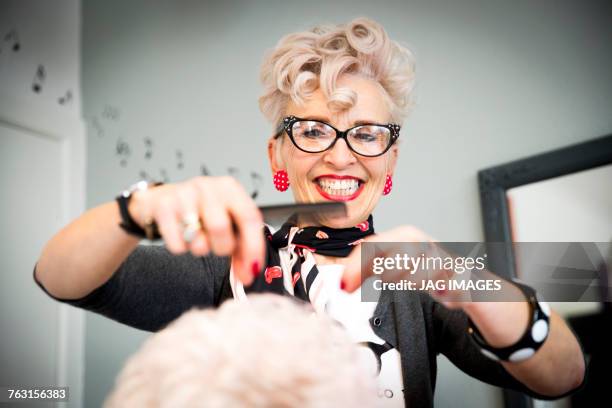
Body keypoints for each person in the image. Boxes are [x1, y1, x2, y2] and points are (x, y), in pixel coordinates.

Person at [34, 17, 585, 407]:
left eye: (366, 134)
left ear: (390, 160)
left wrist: (459, 276)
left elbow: (562, 374)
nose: (341, 154)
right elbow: (60, 277)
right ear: (277, 153)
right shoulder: (225, 266)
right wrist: (140, 208)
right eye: (315, 130)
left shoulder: (415, 272)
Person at [103, 294, 377, 408]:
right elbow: (72, 281)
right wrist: (137, 208)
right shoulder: (229, 259)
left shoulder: (404, 263)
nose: (341, 166)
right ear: (278, 166)